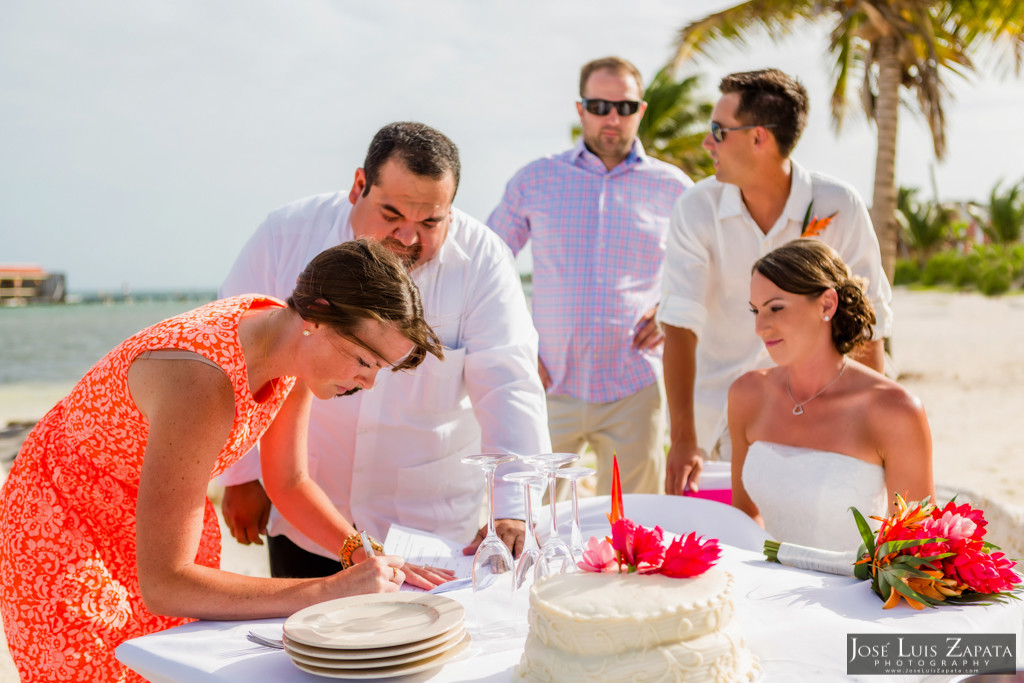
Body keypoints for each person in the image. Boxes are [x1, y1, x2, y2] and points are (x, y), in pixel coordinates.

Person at [0, 241, 452, 682]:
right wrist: (328, 590)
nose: (368, 383)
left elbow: (289, 482)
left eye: (379, 367)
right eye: (363, 360)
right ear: (316, 317)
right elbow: (166, 586)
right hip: (61, 516)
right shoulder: (201, 383)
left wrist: (360, 552)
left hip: (155, 505)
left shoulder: (287, 345)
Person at [218, 122, 550, 574]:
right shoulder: (286, 233)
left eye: (431, 221)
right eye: (392, 215)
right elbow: (236, 351)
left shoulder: (486, 261)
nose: (409, 238)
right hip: (306, 510)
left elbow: (509, 386)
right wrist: (242, 475)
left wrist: (514, 505)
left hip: (427, 524)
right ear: (359, 187)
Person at [657, 68, 894, 496]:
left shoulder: (838, 204)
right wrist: (683, 438)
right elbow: (679, 323)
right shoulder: (695, 208)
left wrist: (860, 429)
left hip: (820, 418)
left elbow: (867, 322)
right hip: (717, 424)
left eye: (717, 130)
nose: (707, 143)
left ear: (758, 138)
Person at [488, 57, 692, 496]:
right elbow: (489, 264)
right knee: (531, 521)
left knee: (636, 529)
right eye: (599, 106)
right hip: (548, 386)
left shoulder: (674, 188)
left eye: (624, 106)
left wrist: (670, 308)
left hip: (633, 388)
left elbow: (705, 268)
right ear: (580, 110)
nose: (612, 117)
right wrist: (519, 344)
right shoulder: (536, 179)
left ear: (641, 110)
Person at [729, 240, 934, 550]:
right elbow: (745, 517)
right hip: (763, 589)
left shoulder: (895, 411)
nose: (759, 326)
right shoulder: (746, 395)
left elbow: (917, 549)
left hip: (861, 594)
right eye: (755, 310)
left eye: (775, 308)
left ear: (827, 304)